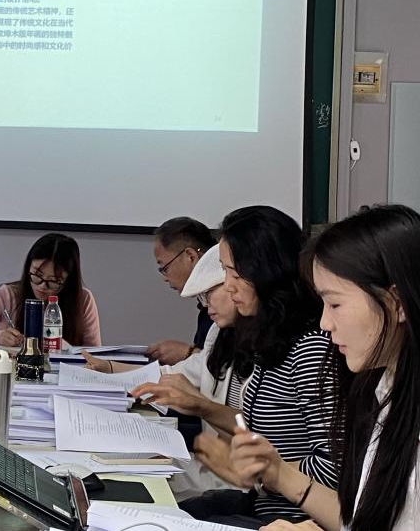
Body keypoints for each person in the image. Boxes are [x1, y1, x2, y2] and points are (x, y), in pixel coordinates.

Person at [229, 205, 420, 531]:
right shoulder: (391, 386)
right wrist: (279, 473)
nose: (325, 323)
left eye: (335, 304)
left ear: (396, 303)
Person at [131, 206, 340, 528]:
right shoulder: (269, 338)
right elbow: (254, 424)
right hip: (264, 502)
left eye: (236, 275)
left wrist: (260, 471)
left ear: (267, 273)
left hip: (292, 519)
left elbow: (332, 468)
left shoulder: (309, 349)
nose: (228, 286)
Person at [82, 244, 240, 498]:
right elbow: (173, 374)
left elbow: (256, 437)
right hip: (209, 466)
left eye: (209, 293)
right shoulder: (219, 333)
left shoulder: (270, 349)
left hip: (234, 483)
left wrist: (200, 405)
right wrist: (110, 369)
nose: (206, 305)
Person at [0, 233, 102, 347]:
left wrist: (67, 349)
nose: (42, 286)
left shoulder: (83, 299)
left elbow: (94, 354)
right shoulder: (9, 295)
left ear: (68, 281)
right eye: (37, 275)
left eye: (53, 281)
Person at [147, 217, 218, 364]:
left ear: (191, 257)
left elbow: (225, 366)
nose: (165, 278)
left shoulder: (225, 304)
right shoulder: (205, 305)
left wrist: (187, 353)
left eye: (165, 268)